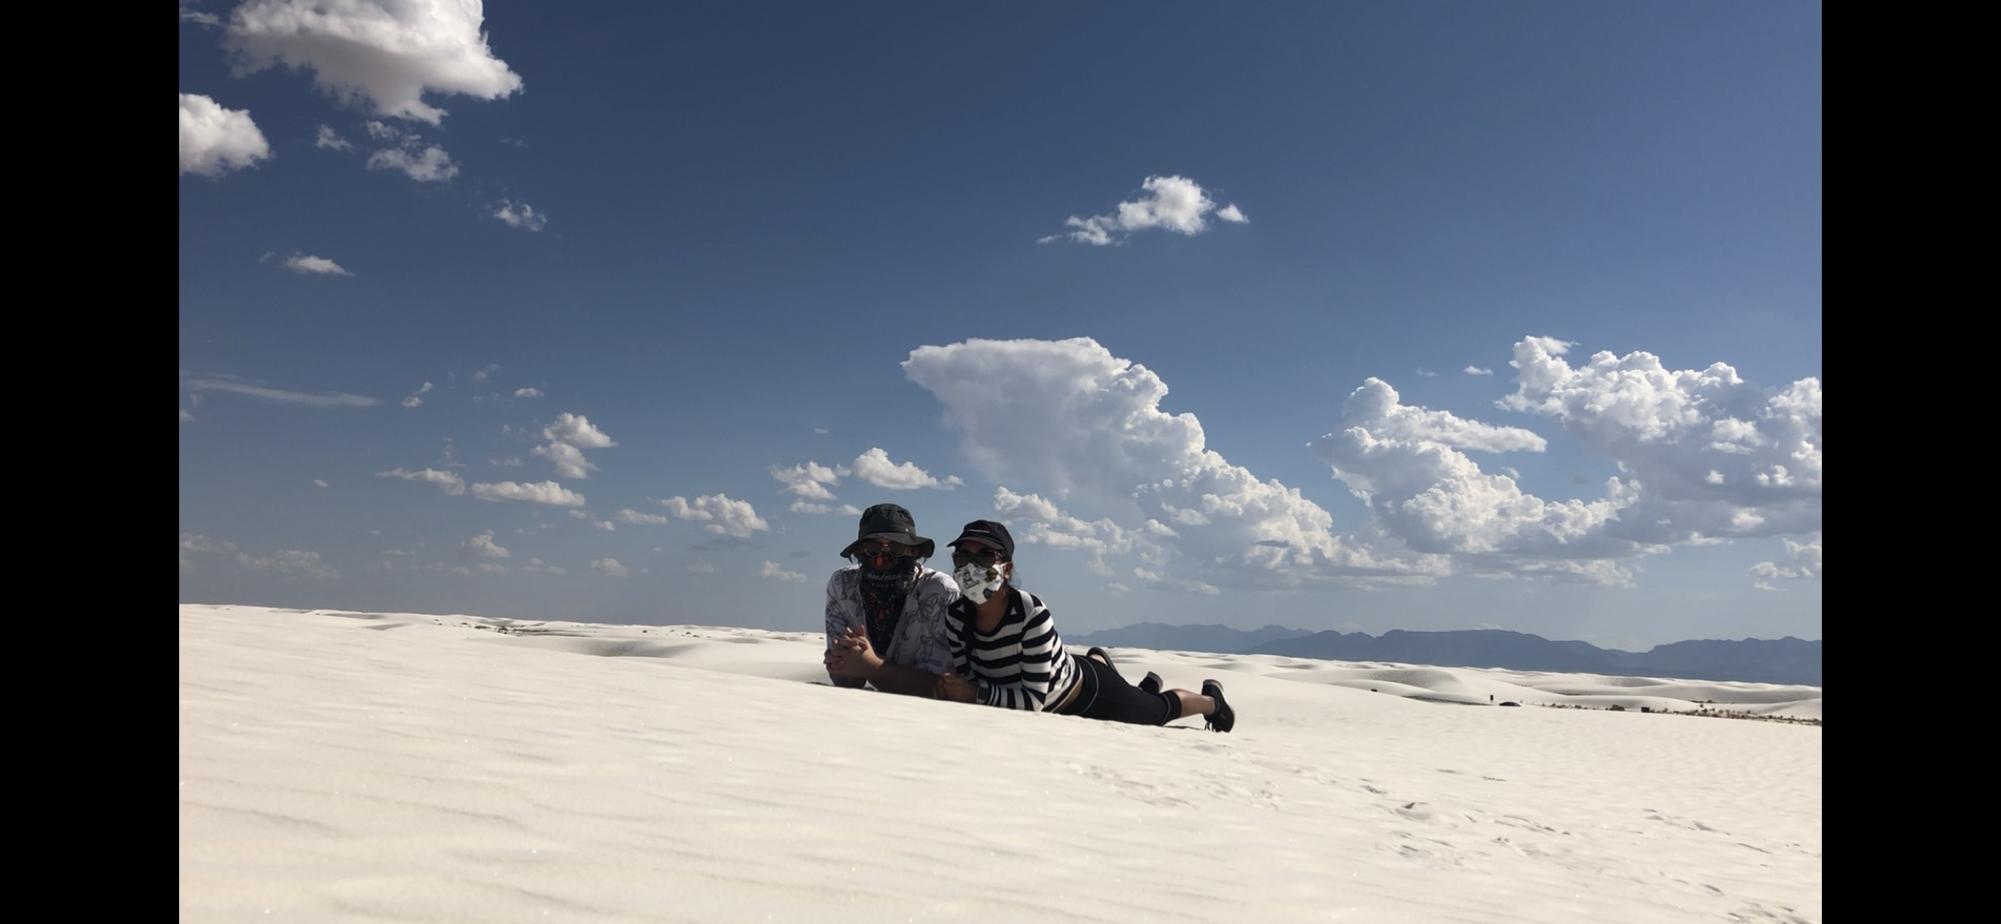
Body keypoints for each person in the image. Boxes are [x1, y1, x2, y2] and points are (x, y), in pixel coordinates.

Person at [933, 520, 1234, 732]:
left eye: (986, 555)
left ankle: (1210, 701)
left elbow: (1034, 701)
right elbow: (970, 677)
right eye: (963, 554)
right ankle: (1114, 671)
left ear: (1007, 568)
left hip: (1083, 693)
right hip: (1056, 671)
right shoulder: (956, 616)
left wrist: (975, 694)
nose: (971, 566)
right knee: (1139, 698)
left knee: (1157, 712)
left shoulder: (1029, 612)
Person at [822, 504, 959, 696]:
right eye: (873, 548)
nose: (882, 559)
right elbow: (845, 678)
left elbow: (940, 687)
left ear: (913, 552)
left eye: (896, 548)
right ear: (860, 552)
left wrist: (871, 667)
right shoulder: (843, 585)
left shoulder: (938, 592)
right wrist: (842, 663)